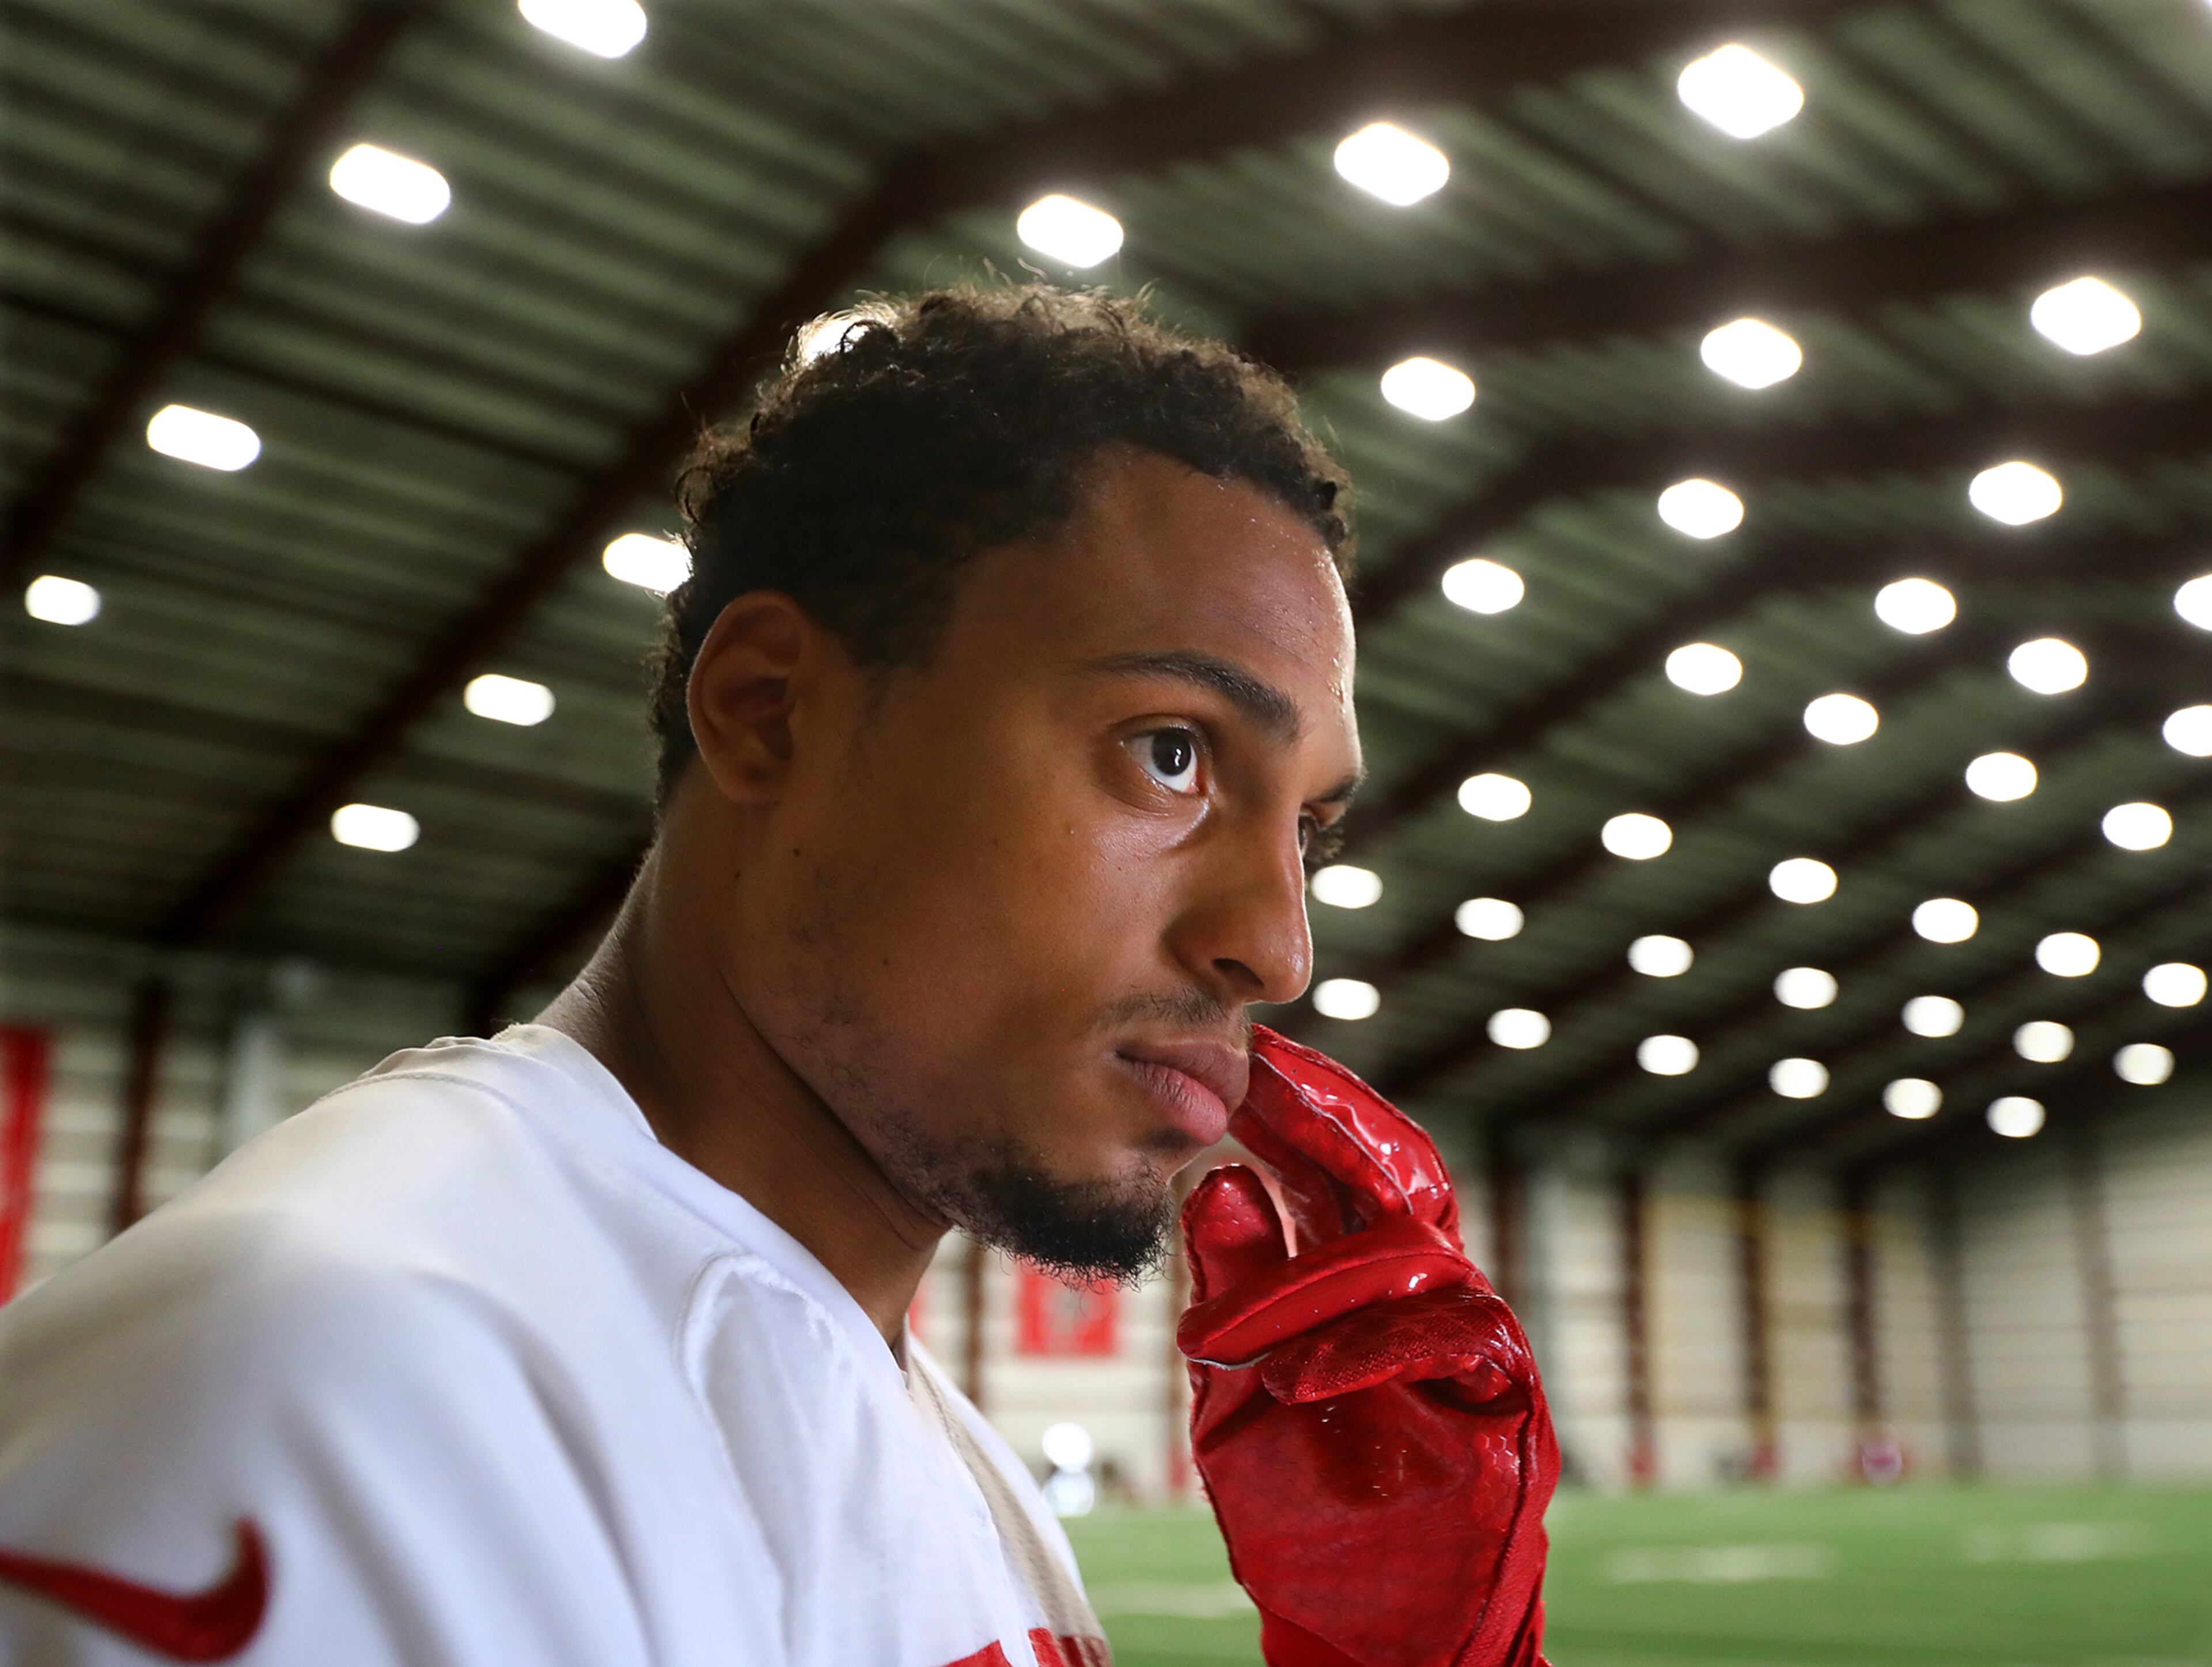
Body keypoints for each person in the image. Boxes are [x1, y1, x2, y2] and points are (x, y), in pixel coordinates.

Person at [0, 285, 1553, 1666]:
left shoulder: (934, 1450)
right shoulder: (339, 1388)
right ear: (767, 713)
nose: (1276, 948)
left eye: (1314, 835)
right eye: (1170, 756)